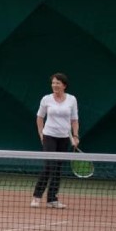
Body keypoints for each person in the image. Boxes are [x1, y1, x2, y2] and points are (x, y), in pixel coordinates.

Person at [31, 72, 79, 209]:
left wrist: (75, 136)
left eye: (57, 83)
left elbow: (74, 120)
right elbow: (40, 117)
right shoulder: (46, 99)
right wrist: (41, 133)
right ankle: (36, 196)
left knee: (57, 169)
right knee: (48, 166)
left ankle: (52, 199)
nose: (54, 85)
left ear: (64, 85)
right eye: (53, 83)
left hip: (64, 137)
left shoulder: (72, 99)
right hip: (49, 136)